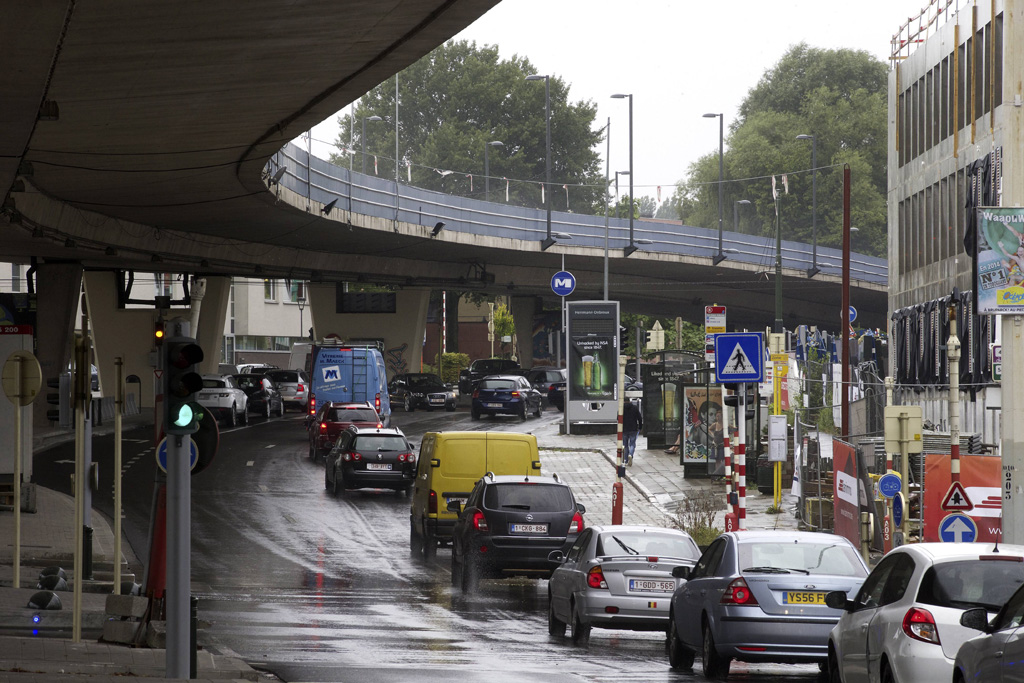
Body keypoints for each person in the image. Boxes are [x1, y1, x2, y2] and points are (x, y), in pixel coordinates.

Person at [622, 399, 643, 466]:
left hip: (624, 429)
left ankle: (626, 460)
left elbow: (618, 418)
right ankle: (630, 454)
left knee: (625, 445)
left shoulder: (621, 408)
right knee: (632, 444)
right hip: (633, 429)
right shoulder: (634, 408)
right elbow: (639, 418)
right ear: (630, 401)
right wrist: (640, 427)